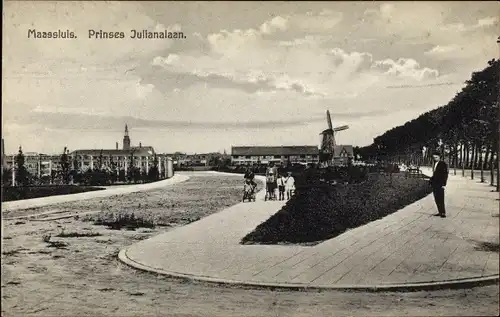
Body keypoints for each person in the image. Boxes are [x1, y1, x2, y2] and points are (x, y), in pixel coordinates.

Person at [429, 151, 448, 218]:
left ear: (439, 157)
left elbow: (445, 174)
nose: (435, 158)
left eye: (436, 157)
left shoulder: (443, 164)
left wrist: (443, 183)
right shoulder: (435, 163)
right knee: (436, 198)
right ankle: (440, 212)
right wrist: (431, 180)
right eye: (434, 157)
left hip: (440, 183)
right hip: (434, 183)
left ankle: (443, 213)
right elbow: (434, 174)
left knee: (441, 198)